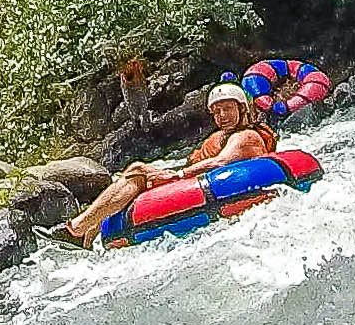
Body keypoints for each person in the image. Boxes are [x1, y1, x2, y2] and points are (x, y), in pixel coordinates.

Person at [43, 81, 276, 248]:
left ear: (242, 109)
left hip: (213, 182)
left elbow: (221, 162)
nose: (222, 115)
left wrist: (177, 176)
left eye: (227, 109)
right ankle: (84, 234)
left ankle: (76, 229)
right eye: (216, 111)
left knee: (137, 169)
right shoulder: (226, 135)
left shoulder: (246, 136)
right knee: (130, 174)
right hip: (198, 180)